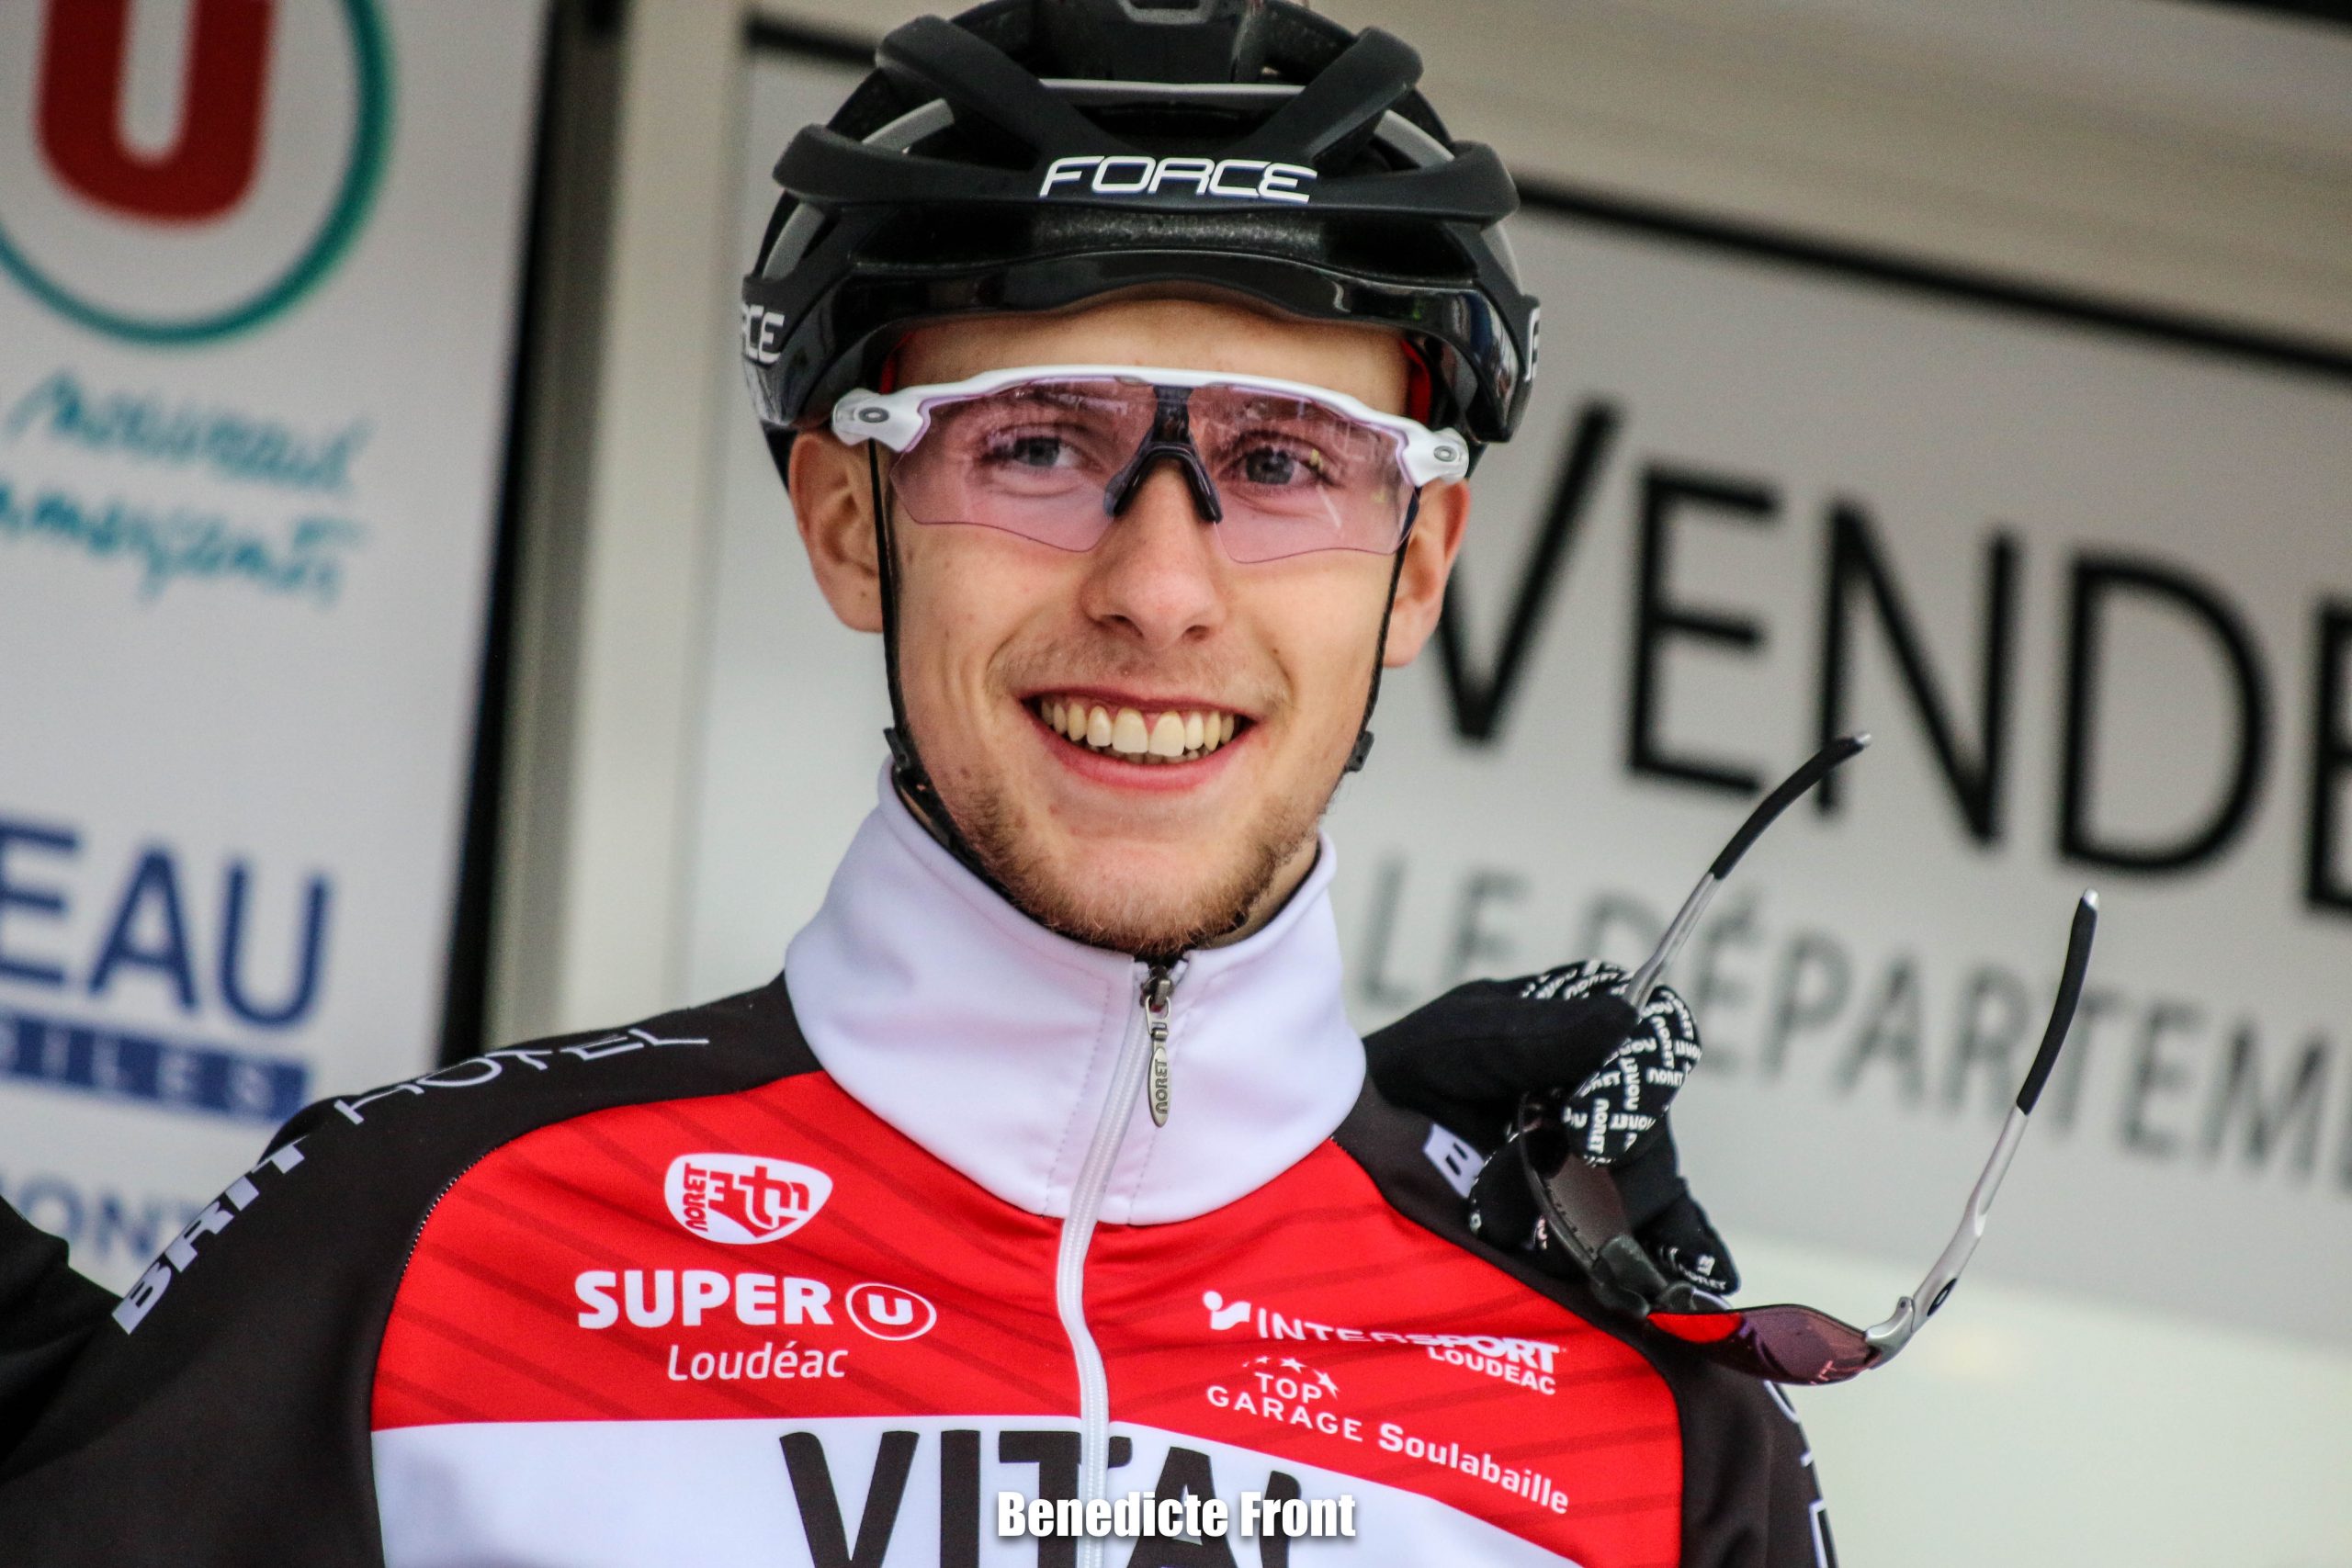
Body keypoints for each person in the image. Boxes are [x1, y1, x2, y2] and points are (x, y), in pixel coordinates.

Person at [0, 2, 1825, 1562]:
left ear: (1417, 566)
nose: (1159, 588)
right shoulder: (413, 1250)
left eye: (1283, 462)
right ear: (843, 520)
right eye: (1034, 445)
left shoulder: (1657, 1443)